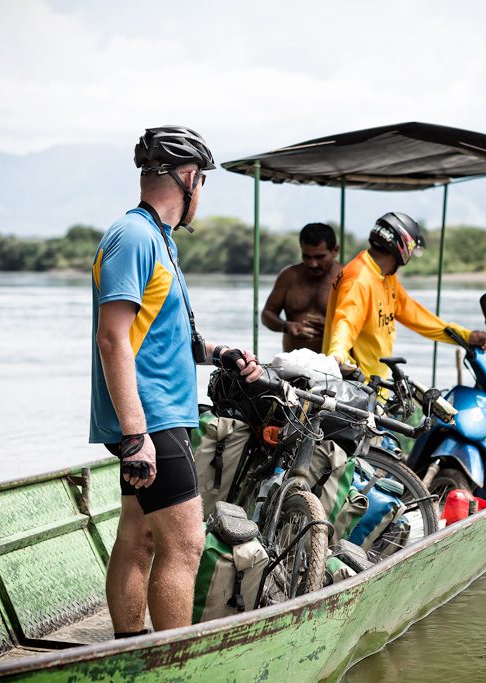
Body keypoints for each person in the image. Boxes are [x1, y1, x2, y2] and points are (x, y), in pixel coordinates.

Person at [89, 126, 263, 637]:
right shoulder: (134, 237)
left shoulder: (160, 242)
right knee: (184, 544)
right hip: (151, 418)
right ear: (189, 180)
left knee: (139, 535)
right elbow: (112, 339)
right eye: (202, 182)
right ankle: (172, 662)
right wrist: (136, 433)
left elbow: (167, 339)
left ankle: (130, 647)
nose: (201, 194)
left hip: (157, 416)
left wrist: (220, 353)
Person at [322, 211, 486, 380]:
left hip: (376, 384)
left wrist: (465, 336)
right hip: (355, 386)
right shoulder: (359, 278)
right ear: (402, 246)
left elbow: (417, 316)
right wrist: (336, 355)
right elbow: (346, 323)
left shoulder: (386, 277)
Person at [262, 223, 342, 353]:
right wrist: (286, 326)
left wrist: (331, 328)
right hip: (292, 364)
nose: (313, 264)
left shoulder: (347, 279)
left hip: (333, 366)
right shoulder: (289, 276)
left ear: (335, 251)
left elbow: (363, 327)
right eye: (306, 256)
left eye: (319, 257)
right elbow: (267, 314)